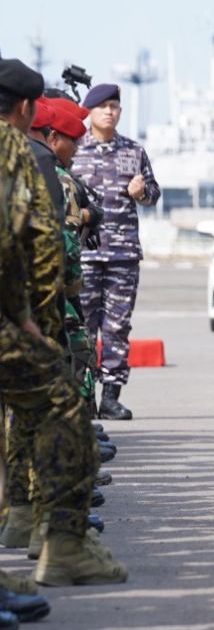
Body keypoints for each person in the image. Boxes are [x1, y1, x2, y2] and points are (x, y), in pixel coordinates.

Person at [0, 57, 126, 587]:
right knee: (63, 410)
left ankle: (24, 520)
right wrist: (27, 318)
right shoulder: (15, 152)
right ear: (28, 110)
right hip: (16, 318)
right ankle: (63, 545)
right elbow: (24, 243)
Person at [72, 82, 160, 421]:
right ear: (90, 111)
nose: (110, 111)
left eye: (114, 106)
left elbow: (154, 193)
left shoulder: (134, 152)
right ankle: (84, 397)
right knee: (84, 328)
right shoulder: (76, 149)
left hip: (122, 255)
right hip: (86, 255)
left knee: (118, 327)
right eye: (103, 106)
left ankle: (111, 395)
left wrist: (141, 193)